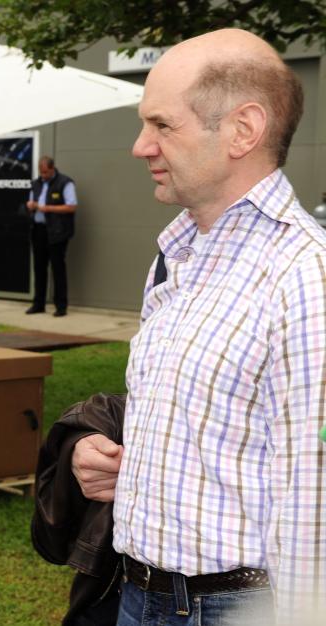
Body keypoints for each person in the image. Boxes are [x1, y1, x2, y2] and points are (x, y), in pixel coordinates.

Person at [72, 29, 326, 625]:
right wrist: (117, 463)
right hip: (136, 594)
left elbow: (313, 499)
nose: (141, 146)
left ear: (243, 129)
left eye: (162, 125)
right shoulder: (177, 257)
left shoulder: (306, 278)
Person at [26, 156, 77, 317]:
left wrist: (46, 208)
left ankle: (61, 306)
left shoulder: (65, 182)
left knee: (57, 269)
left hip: (57, 232)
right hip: (38, 229)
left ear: (53, 168)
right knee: (39, 268)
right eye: (41, 172)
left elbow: (71, 206)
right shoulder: (36, 183)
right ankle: (38, 304)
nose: (43, 175)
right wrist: (31, 206)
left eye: (46, 172)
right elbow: (31, 201)